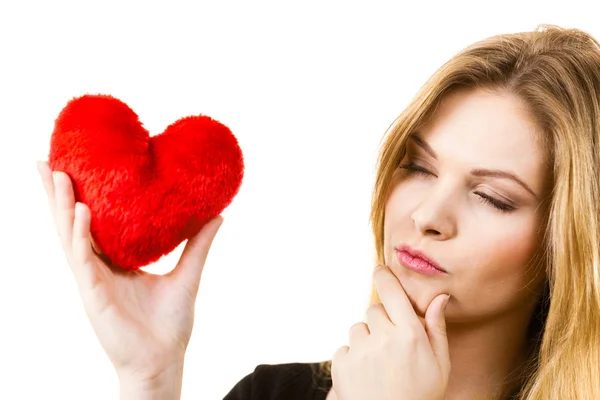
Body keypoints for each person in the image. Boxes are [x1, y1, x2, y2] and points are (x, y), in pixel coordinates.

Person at [37, 23, 600, 399]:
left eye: (492, 197)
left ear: (570, 241)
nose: (428, 214)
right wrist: (150, 377)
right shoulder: (274, 395)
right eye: (418, 167)